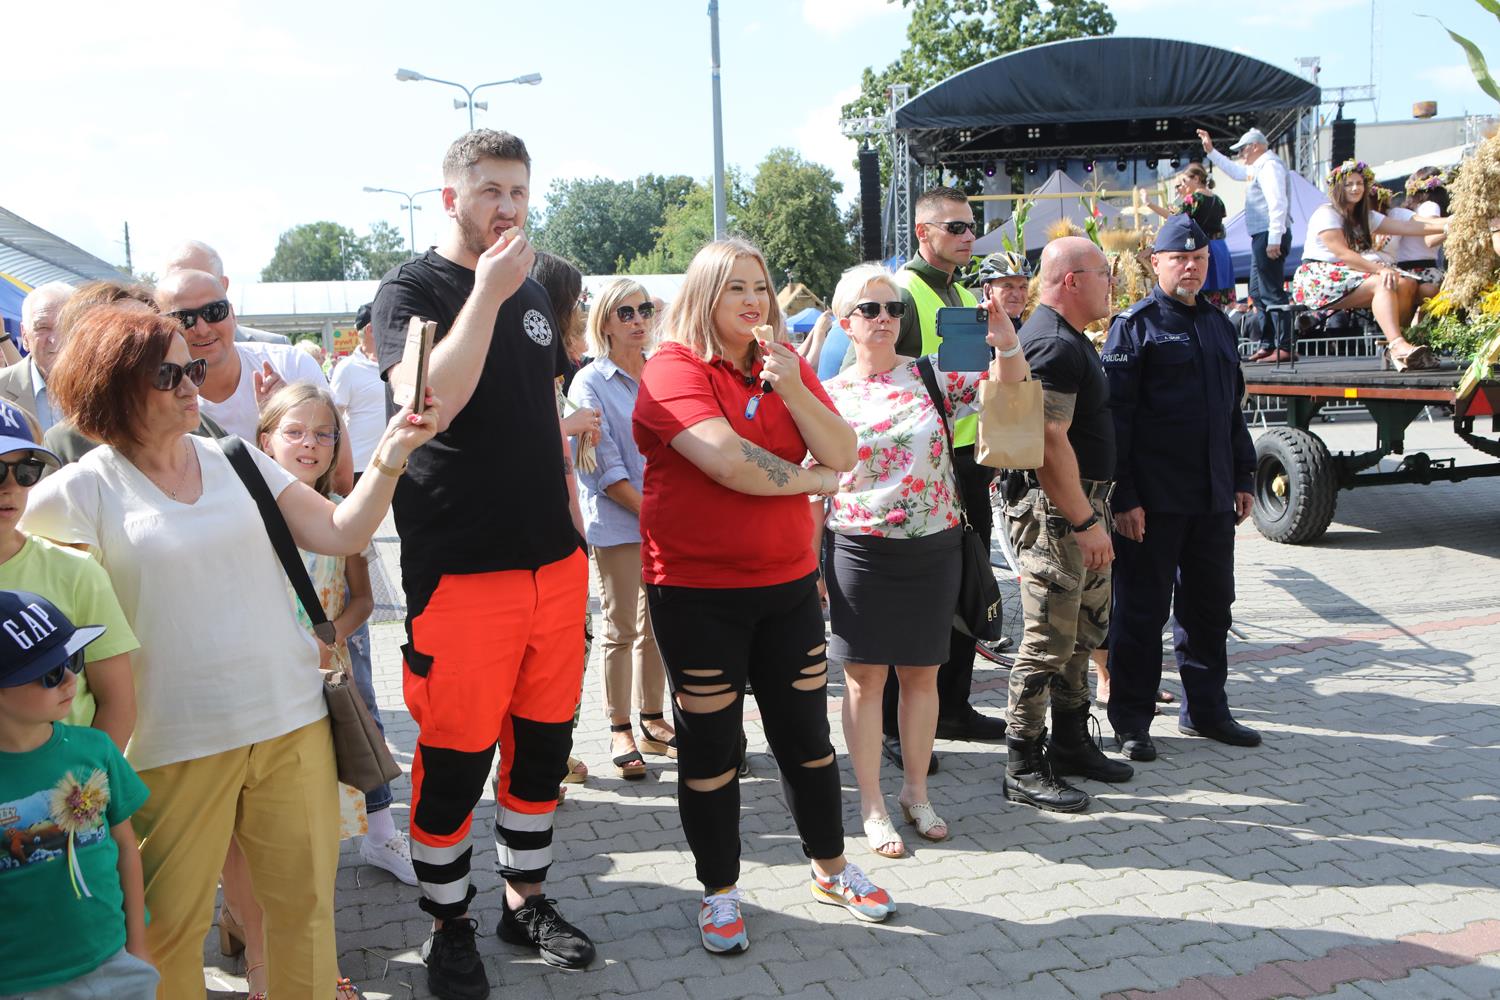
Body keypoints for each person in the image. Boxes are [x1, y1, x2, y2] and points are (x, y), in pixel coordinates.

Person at [22, 303, 437, 999]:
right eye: (169, 374)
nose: (193, 382)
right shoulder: (79, 490)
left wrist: (391, 455)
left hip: (291, 725)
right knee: (168, 930)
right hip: (170, 749)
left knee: (303, 916)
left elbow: (341, 532)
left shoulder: (236, 459)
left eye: (191, 367)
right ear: (114, 387)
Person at [370, 129, 595, 999]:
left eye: (520, 192)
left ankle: (523, 900)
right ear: (451, 198)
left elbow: (538, 411)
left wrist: (573, 535)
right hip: (463, 571)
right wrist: (488, 294)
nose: (508, 207)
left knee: (541, 751)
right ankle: (448, 923)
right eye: (491, 190)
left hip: (552, 568)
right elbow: (428, 401)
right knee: (457, 760)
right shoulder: (412, 289)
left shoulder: (532, 290)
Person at [634, 238, 892, 955]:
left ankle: (831, 869)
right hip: (697, 593)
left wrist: (795, 389)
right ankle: (719, 890)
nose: (754, 301)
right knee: (712, 750)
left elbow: (845, 452)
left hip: (787, 585)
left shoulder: (783, 363)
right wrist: (812, 483)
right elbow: (727, 461)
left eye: (761, 287)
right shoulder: (672, 368)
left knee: (806, 740)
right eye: (736, 288)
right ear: (703, 295)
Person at [816, 262, 1027, 859]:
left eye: (894, 309)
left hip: (934, 547)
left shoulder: (930, 374)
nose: (885, 319)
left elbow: (1011, 389)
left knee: (921, 675)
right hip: (859, 548)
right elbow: (816, 484)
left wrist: (1006, 340)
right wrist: (811, 565)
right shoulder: (827, 395)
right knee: (864, 680)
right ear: (845, 322)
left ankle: (915, 793)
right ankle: (872, 805)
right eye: (870, 309)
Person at [855, 188, 1005, 776]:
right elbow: (881, 375)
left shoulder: (964, 293)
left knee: (967, 587)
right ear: (923, 232)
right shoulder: (901, 294)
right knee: (913, 601)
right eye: (956, 227)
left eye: (972, 227)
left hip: (968, 459)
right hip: (917, 468)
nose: (969, 236)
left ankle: (954, 707)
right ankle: (895, 728)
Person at [1101, 216, 1261, 762]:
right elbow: (1116, 421)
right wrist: (1123, 497)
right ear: (1156, 263)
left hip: (1212, 499)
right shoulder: (1136, 327)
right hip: (1154, 502)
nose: (1190, 266)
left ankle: (1207, 711)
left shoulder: (1219, 324)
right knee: (1141, 613)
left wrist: (1243, 476)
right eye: (1178, 258)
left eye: (1198, 258)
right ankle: (1131, 720)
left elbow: (1231, 413)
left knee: (1210, 608)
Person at [1002, 236, 1134, 814]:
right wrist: (1083, 519)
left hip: (1081, 509)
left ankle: (1073, 742)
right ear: (1072, 280)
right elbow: (1049, 442)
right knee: (1047, 641)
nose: (1113, 283)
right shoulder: (1053, 344)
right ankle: (1022, 765)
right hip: (1060, 514)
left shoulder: (1066, 337)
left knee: (1081, 632)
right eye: (1105, 272)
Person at [0, 592, 157, 1000]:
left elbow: (126, 847)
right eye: (51, 673)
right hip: (19, 984)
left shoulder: (95, 750)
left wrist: (138, 948)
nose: (72, 679)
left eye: (73, 660)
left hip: (115, 963)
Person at [568, 277, 674, 780]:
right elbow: (602, 470)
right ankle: (619, 728)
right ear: (605, 323)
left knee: (657, 625)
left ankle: (653, 720)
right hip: (619, 523)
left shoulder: (663, 372)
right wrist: (656, 514)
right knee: (622, 627)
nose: (638, 321)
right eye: (625, 313)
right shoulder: (588, 382)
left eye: (644, 310)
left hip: (667, 522)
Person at [0, 400, 138, 748]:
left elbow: (118, 703)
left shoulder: (76, 571)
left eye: (26, 470)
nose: (11, 486)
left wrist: (84, 778)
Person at [156, 269, 353, 491]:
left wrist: (289, 414)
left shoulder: (291, 365)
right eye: (183, 319)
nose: (201, 329)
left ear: (232, 314)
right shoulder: (154, 397)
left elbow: (341, 480)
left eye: (214, 312)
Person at [40, 281, 228, 464]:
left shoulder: (202, 429)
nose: (150, 336)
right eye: (128, 332)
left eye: (154, 324)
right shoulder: (67, 446)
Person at [1290, 160, 1448, 371]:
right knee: (1382, 282)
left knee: (1403, 283)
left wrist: (1454, 221)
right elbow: (1343, 253)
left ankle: (1404, 343)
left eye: (1359, 183)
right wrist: (1381, 269)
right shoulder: (1327, 213)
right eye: (1349, 184)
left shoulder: (1367, 217)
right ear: (1338, 188)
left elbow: (1412, 226)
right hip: (1319, 277)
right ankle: (1397, 345)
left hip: (1348, 274)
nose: (1355, 188)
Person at [1200, 128, 1293, 362]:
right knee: (1257, 292)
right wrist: (1211, 152)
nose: (1241, 154)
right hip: (1262, 234)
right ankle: (1269, 343)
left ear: (1255, 146)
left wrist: (1274, 238)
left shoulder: (1269, 166)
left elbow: (1278, 202)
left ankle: (1284, 345)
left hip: (1269, 234)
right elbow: (1236, 172)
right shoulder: (1258, 167)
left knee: (1271, 291)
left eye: (1242, 149)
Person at [158, 240, 291, 344]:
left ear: (223, 285)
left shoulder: (278, 353)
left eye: (203, 280)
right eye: (179, 282)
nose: (201, 329)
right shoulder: (153, 360)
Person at [1145, 164, 1234, 305]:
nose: (1183, 186)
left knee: (1198, 292)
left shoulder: (1193, 198)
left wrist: (1150, 204)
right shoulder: (1217, 199)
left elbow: (1176, 219)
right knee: (1219, 291)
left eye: (1185, 181)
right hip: (1220, 248)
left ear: (1196, 179)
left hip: (1201, 248)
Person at [0, 281, 73, 432]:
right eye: (43, 328)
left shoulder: (107, 390)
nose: (54, 339)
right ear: (25, 336)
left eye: (66, 326)